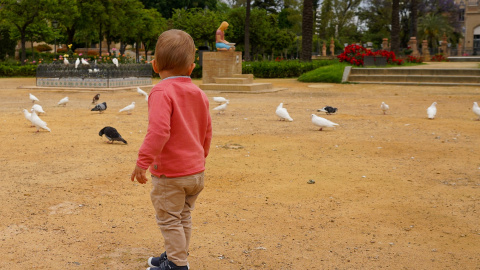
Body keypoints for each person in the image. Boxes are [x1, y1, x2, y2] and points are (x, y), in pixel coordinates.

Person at [131, 29, 212, 270]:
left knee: (168, 220)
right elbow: (206, 130)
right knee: (183, 217)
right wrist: (199, 157)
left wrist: (141, 162)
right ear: (191, 67)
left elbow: (158, 131)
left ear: (154, 65)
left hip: (171, 175)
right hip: (195, 172)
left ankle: (177, 265)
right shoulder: (199, 93)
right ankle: (176, 255)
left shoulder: (161, 92)